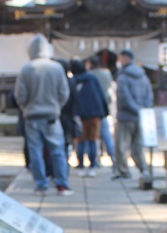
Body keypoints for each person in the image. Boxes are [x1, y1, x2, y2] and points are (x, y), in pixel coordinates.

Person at [13, 34, 73, 195]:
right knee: (58, 150)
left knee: (36, 151)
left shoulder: (27, 69)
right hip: (52, 116)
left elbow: (20, 95)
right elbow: (64, 93)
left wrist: (25, 107)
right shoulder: (56, 68)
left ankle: (41, 185)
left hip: (32, 116)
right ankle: (62, 184)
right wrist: (56, 106)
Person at [112, 49, 153, 181]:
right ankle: (143, 168)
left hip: (125, 116)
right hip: (140, 116)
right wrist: (143, 110)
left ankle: (123, 170)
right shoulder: (143, 76)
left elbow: (124, 97)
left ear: (125, 58)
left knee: (122, 145)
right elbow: (149, 95)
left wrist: (135, 109)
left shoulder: (123, 77)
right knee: (138, 145)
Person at [70, 59, 109, 175]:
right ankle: (93, 165)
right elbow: (101, 95)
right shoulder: (92, 78)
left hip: (79, 114)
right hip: (95, 113)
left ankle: (81, 165)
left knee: (80, 140)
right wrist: (104, 111)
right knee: (93, 140)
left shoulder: (74, 81)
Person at [86, 56, 116, 166]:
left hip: (92, 108)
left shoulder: (89, 76)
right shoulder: (106, 74)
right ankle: (114, 160)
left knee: (93, 136)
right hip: (104, 107)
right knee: (106, 135)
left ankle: (95, 160)